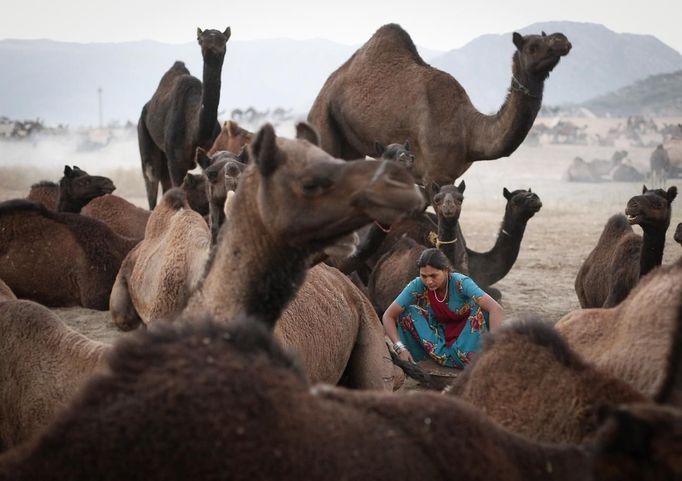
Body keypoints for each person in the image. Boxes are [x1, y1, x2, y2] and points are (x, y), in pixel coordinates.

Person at [382, 248, 503, 368]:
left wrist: (493, 349)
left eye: (433, 275)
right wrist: (400, 348)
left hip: (466, 337)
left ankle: (481, 359)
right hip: (440, 338)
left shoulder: (461, 282)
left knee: (483, 309)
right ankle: (423, 360)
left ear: (445, 270)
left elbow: (496, 309)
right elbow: (388, 315)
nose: (429, 281)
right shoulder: (418, 284)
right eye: (424, 276)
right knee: (407, 313)